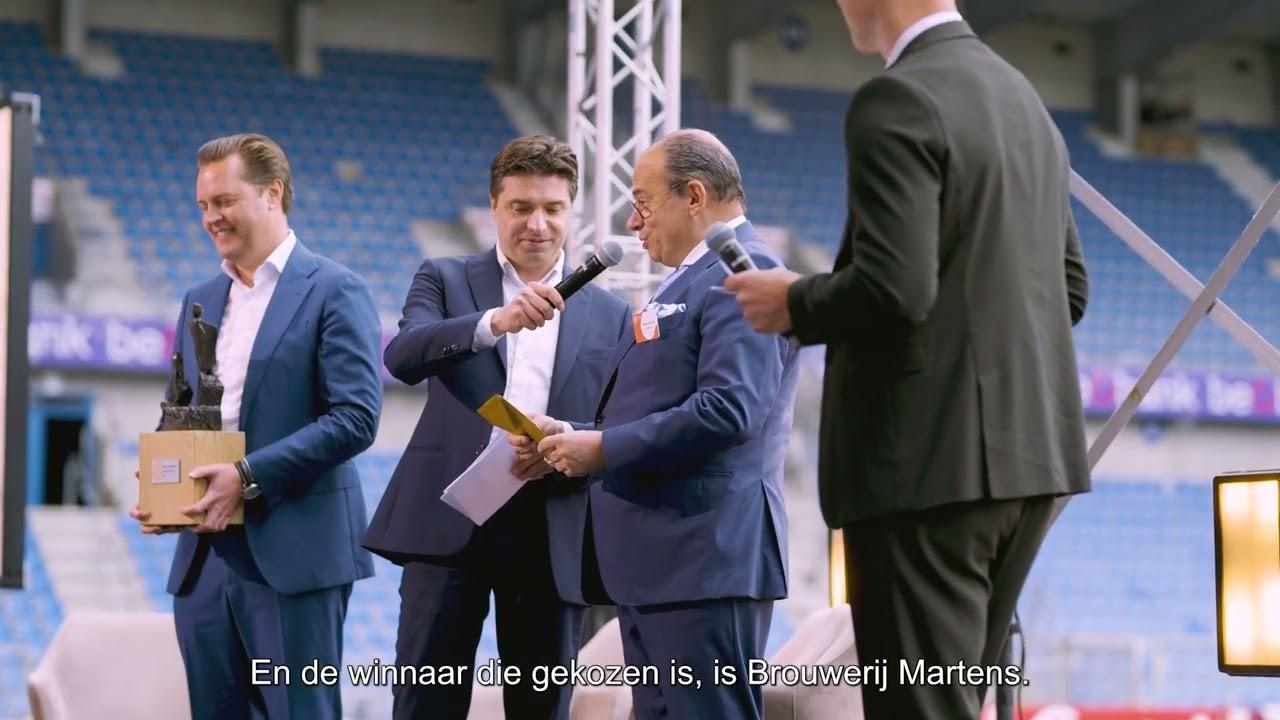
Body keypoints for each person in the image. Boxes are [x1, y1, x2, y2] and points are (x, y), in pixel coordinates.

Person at [724, 2, 1091, 717]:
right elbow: (1068, 292)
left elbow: (895, 287)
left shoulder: (897, 97)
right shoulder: (1023, 99)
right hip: (1028, 466)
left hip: (925, 471)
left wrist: (793, 301)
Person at [521, 129, 797, 720]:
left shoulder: (743, 270)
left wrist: (604, 448)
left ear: (694, 196)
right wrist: (571, 433)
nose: (632, 221)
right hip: (662, 562)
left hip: (704, 558)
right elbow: (653, 406)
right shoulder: (689, 279)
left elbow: (731, 409)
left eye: (643, 202)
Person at [362, 135, 631, 720]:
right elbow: (402, 356)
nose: (537, 224)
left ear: (571, 211)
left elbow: (620, 423)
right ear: (494, 207)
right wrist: (494, 322)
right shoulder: (445, 277)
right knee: (424, 703)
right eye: (520, 207)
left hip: (551, 526)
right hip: (449, 522)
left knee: (542, 709)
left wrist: (563, 436)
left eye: (552, 208)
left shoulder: (612, 314)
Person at [128, 133, 383, 720]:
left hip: (295, 555)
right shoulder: (200, 298)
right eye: (203, 205)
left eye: (224, 201)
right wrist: (161, 478)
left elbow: (356, 418)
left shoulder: (336, 289)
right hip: (203, 559)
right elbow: (179, 408)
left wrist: (245, 475)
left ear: (273, 194)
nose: (211, 217)